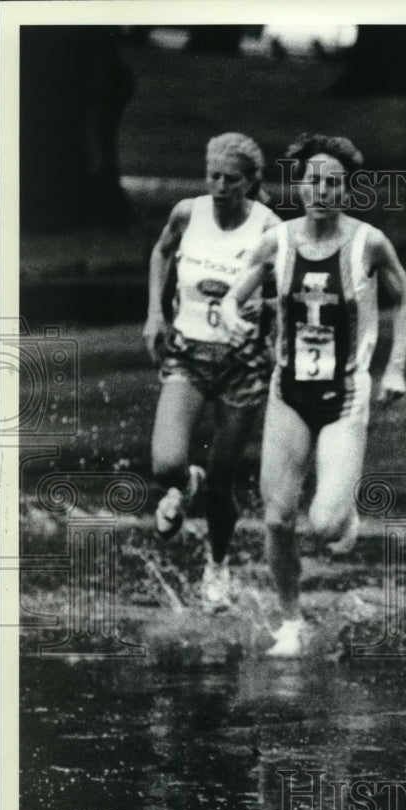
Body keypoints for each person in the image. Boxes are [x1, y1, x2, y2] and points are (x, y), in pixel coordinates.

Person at [221, 132, 406, 657]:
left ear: (346, 191)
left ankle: (344, 514)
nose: (323, 191)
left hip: (345, 395)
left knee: (326, 525)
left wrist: (394, 368)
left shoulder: (368, 243)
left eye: (334, 183)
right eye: (314, 181)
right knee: (278, 517)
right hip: (289, 392)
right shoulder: (277, 242)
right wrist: (232, 319)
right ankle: (291, 622)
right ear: (300, 186)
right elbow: (234, 299)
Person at [144, 133, 279, 609]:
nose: (220, 186)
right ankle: (184, 484)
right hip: (188, 353)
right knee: (166, 464)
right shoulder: (187, 213)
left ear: (252, 182)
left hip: (243, 365)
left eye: (232, 179)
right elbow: (161, 253)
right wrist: (155, 314)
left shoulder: (269, 228)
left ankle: (216, 568)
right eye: (213, 176)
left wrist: (274, 346)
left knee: (224, 482)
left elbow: (282, 294)